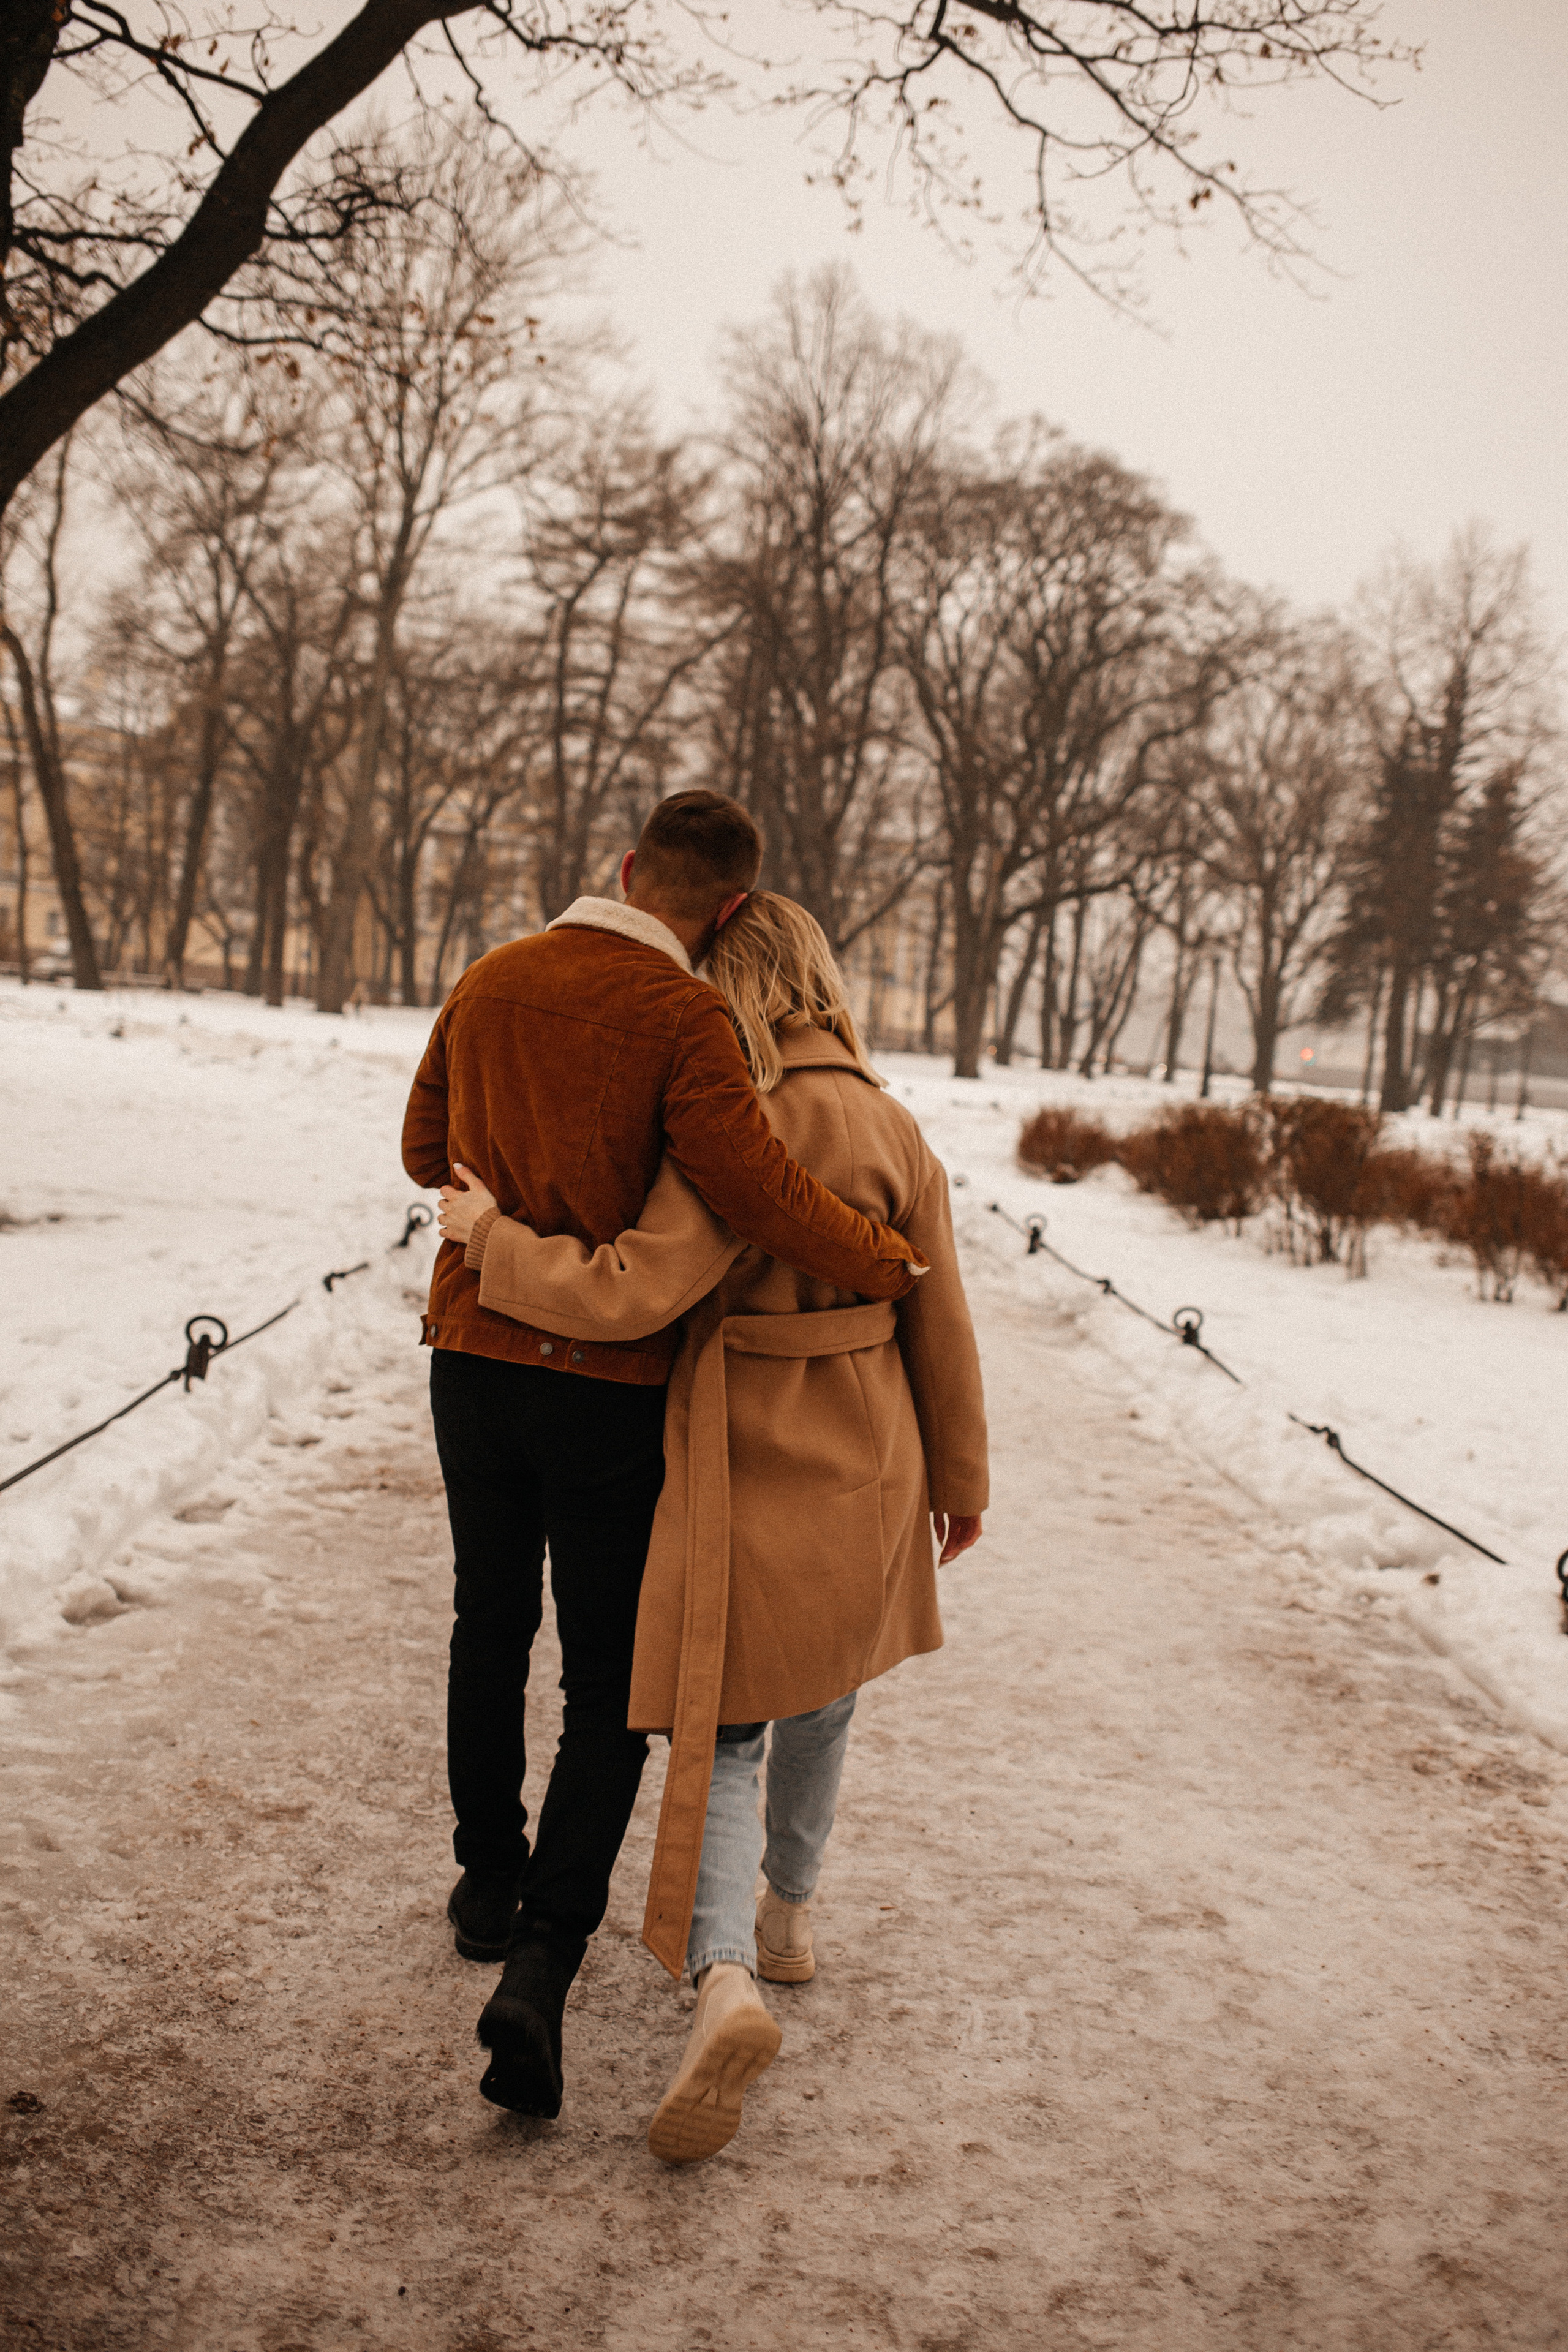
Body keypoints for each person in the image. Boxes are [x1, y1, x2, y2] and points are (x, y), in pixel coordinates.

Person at [438, 891, 988, 2164]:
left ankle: (728, 1974)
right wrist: (957, 1480)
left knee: (729, 1735)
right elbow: (939, 1318)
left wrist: (493, 1245)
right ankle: (789, 1913)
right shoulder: (898, 1128)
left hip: (743, 1455)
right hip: (869, 1448)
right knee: (830, 1694)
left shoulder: (726, 1126)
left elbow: (633, 1289)